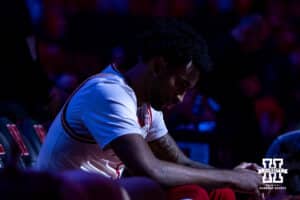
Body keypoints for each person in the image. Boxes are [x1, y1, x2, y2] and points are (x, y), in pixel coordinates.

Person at [36, 18, 264, 199]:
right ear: (158, 66)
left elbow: (181, 163)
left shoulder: (147, 105)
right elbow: (151, 170)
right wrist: (233, 178)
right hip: (62, 194)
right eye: (181, 85)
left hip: (98, 192)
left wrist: (236, 176)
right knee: (185, 192)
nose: (181, 98)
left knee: (219, 193)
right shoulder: (108, 93)